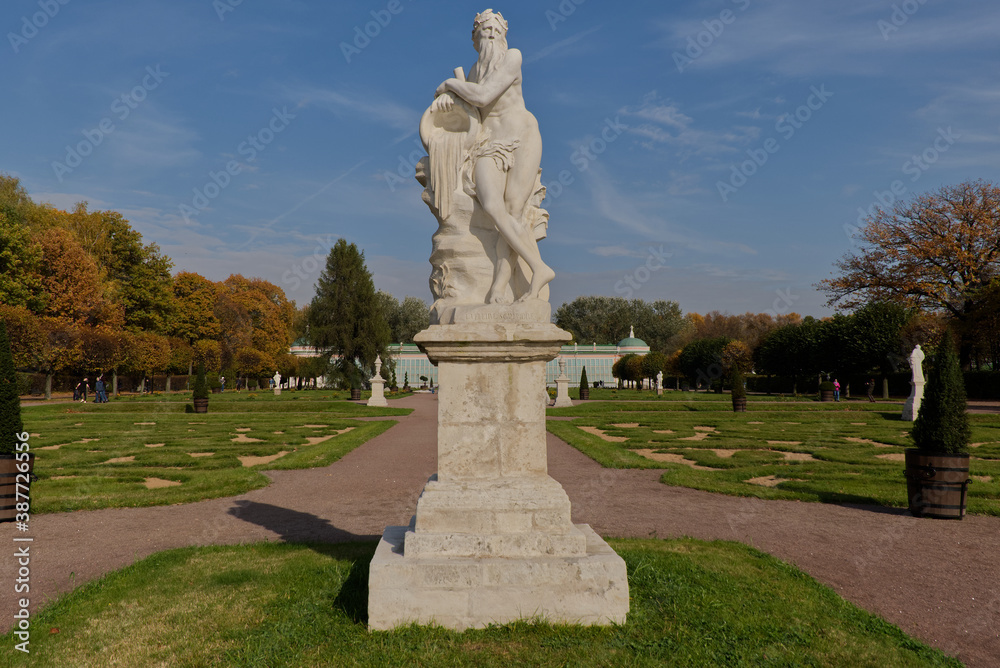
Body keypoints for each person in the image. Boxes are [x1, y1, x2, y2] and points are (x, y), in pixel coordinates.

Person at [431, 9, 555, 303]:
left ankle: (499, 287)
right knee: (491, 205)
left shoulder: (513, 57)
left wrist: (450, 85)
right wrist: (450, 100)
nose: (489, 34)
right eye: (483, 30)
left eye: (495, 30)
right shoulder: (472, 73)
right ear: (474, 39)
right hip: (489, 143)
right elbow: (469, 109)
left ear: (504, 35)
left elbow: (483, 96)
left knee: (512, 211)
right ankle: (539, 267)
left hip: (522, 136)